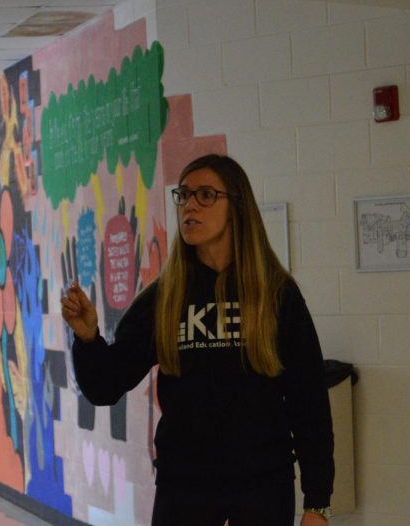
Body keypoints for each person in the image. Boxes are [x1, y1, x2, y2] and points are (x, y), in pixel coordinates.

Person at [62, 154, 334, 526]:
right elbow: (106, 386)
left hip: (263, 484)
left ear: (236, 207)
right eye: (184, 195)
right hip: (184, 486)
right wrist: (89, 338)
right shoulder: (165, 296)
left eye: (205, 195)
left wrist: (318, 503)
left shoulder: (275, 294)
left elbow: (310, 403)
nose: (190, 204)